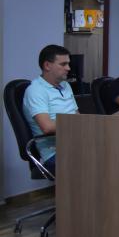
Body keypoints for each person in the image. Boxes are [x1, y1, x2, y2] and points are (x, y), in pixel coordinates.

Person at [22, 44, 79, 174]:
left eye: (68, 64)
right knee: (103, 159)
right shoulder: (36, 90)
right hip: (54, 152)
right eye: (63, 64)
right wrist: (78, 124)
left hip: (75, 144)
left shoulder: (66, 86)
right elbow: (47, 127)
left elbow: (77, 115)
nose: (68, 68)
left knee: (114, 150)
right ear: (47, 65)